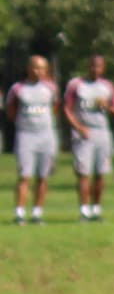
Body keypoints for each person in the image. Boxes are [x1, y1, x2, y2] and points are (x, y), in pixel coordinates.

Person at [63, 54, 114, 221]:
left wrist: (107, 106)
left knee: (100, 173)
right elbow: (67, 108)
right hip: (84, 132)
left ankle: (96, 209)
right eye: (92, 66)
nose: (95, 69)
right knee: (83, 172)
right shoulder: (76, 85)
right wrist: (78, 127)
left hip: (102, 132)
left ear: (103, 68)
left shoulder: (108, 86)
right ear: (88, 67)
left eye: (99, 66)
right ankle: (84, 210)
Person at [6, 55, 58, 225]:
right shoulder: (18, 88)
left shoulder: (51, 88)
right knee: (24, 175)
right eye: (35, 67)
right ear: (29, 68)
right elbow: (11, 112)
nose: (38, 71)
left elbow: (55, 108)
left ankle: (37, 213)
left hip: (46, 136)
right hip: (26, 135)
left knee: (42, 176)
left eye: (42, 68)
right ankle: (19, 213)